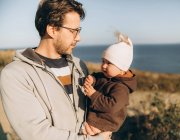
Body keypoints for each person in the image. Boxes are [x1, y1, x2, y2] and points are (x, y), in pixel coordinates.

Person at [0, 0, 109, 139]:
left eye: (79, 30)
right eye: (73, 31)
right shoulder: (15, 75)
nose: (79, 38)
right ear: (52, 29)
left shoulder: (80, 66)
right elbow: (37, 134)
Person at [83, 32, 137, 135]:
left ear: (122, 69)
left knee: (85, 133)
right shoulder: (106, 76)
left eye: (109, 63)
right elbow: (98, 77)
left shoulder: (122, 88)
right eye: (103, 61)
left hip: (104, 123)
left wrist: (93, 94)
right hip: (95, 117)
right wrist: (92, 79)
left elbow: (111, 106)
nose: (103, 66)